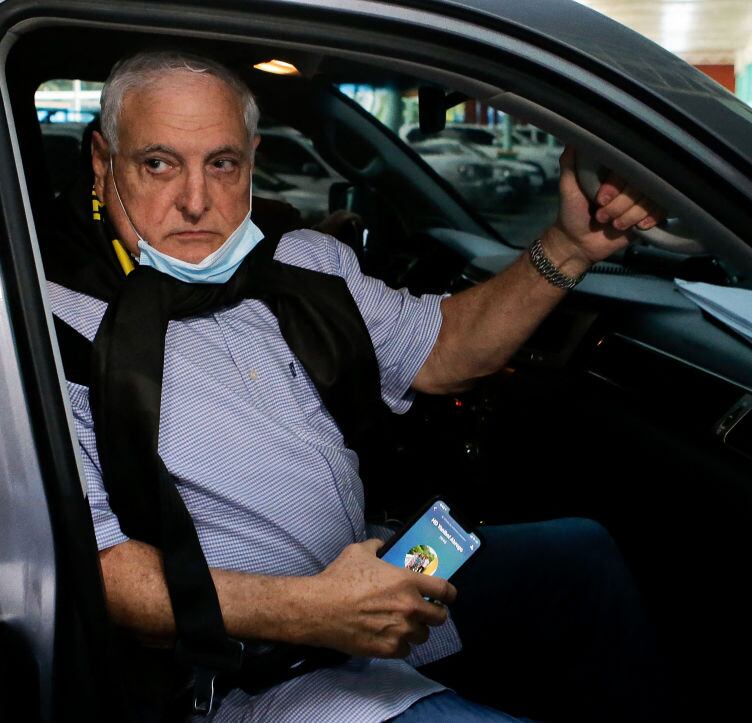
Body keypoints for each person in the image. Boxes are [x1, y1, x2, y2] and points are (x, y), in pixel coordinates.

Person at [45, 51, 664, 721]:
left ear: (252, 160)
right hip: (247, 675)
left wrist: (570, 245)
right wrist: (312, 609)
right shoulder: (52, 326)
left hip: (370, 575)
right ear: (105, 163)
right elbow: (103, 574)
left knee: (582, 555)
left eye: (222, 164)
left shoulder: (301, 261)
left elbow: (444, 348)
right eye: (159, 163)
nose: (196, 200)